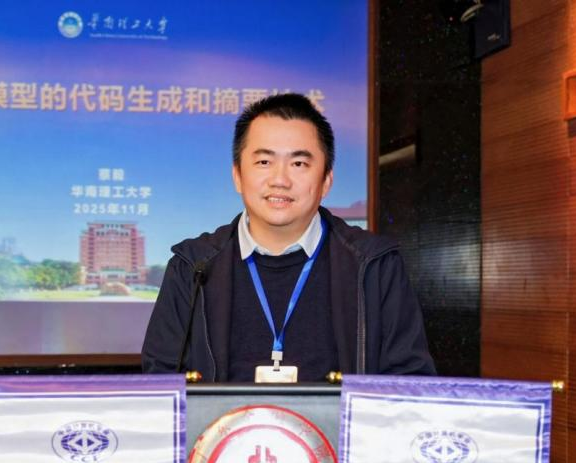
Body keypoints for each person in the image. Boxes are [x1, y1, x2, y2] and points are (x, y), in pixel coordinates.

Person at [141, 93, 435, 381]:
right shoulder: (192, 266)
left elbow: (409, 384)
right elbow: (161, 384)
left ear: (326, 181)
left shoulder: (374, 265)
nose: (280, 180)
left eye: (299, 164)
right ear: (238, 176)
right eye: (264, 162)